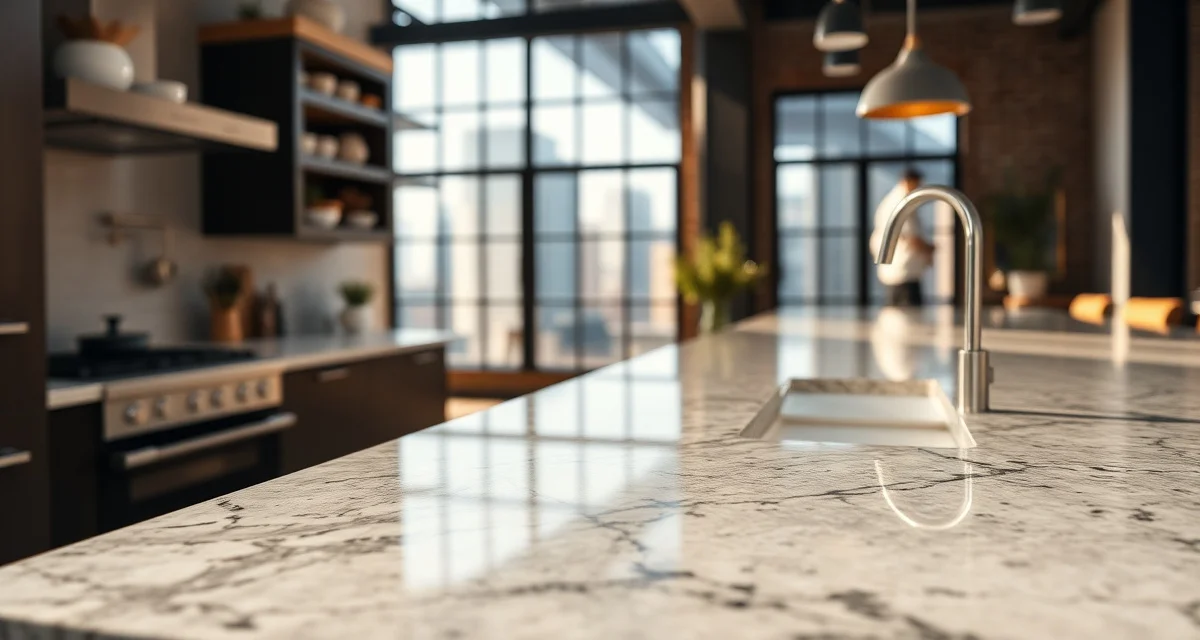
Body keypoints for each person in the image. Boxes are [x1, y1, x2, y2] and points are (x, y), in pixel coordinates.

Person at [868, 169, 935, 307]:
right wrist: (929, 248)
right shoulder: (900, 203)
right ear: (907, 181)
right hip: (902, 271)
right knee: (905, 318)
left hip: (902, 271)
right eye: (917, 184)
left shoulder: (898, 201)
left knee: (901, 318)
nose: (918, 188)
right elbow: (912, 238)